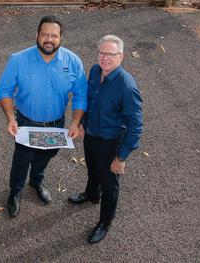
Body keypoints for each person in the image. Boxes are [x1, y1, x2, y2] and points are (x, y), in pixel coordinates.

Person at [0, 15, 87, 217]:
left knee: (46, 155)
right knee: (22, 159)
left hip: (56, 124)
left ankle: (36, 182)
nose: (49, 39)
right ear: (37, 35)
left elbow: (81, 94)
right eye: (45, 34)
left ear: (61, 37)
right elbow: (4, 91)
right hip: (26, 123)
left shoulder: (73, 62)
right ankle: (15, 192)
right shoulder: (18, 60)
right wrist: (11, 118)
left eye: (54, 35)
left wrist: (75, 122)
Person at [69, 34, 143, 244]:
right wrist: (83, 123)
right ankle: (91, 195)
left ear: (121, 57)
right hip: (91, 135)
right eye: (102, 53)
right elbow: (90, 101)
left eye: (110, 54)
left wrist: (121, 157)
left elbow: (136, 126)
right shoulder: (94, 71)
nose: (105, 58)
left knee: (110, 186)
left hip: (111, 143)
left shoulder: (126, 87)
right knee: (93, 170)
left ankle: (105, 222)